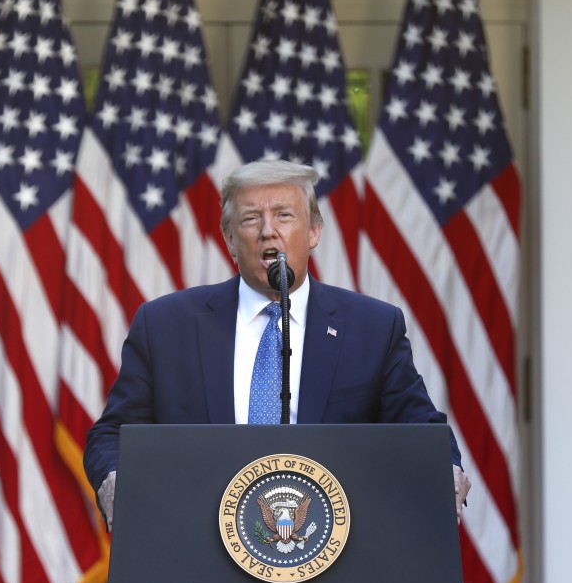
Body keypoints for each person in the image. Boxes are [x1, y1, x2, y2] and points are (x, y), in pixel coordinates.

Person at [83, 159, 471, 528]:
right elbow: (113, 434)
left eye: (284, 215)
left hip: (332, 559)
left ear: (315, 231)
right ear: (231, 240)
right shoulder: (166, 326)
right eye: (251, 219)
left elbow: (421, 427)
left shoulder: (372, 327)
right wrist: (115, 477)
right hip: (195, 557)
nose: (268, 230)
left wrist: (445, 469)